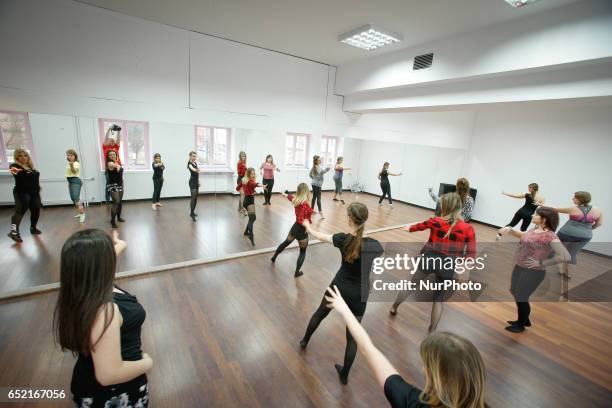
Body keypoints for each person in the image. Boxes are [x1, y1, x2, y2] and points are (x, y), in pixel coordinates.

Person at [326, 286, 487, 408]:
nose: (423, 368)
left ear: (437, 376)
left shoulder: (413, 402)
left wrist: (344, 309)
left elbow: (368, 348)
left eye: (426, 365)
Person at [53, 229, 153, 407]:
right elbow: (109, 375)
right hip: (113, 394)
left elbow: (105, 257)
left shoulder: (85, 284)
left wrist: (119, 243)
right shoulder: (105, 310)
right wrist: (147, 363)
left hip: (95, 381)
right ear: (101, 264)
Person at [300, 202, 384, 384]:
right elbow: (375, 260)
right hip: (360, 293)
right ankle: (344, 375)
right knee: (352, 337)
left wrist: (307, 226)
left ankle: (305, 341)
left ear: (349, 219)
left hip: (339, 287)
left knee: (320, 313)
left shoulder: (343, 239)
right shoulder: (375, 245)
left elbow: (319, 235)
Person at [390, 193, 476, 333]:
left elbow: (420, 226)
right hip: (448, 264)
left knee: (411, 284)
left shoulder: (435, 221)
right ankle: (432, 329)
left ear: (445, 207)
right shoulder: (467, 228)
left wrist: (409, 229)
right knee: (438, 298)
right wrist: (465, 265)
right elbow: (471, 252)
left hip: (430, 259)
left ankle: (394, 307)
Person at [498, 207, 570, 333]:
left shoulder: (550, 236)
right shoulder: (535, 229)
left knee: (521, 296)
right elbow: (523, 235)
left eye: (536, 214)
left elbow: (565, 256)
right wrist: (509, 230)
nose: (532, 215)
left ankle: (521, 324)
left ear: (544, 219)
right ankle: (524, 319)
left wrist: (541, 262)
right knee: (515, 291)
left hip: (533, 272)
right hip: (520, 266)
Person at [554, 191, 603, 278]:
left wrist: (541, 205)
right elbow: (599, 223)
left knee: (552, 247)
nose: (572, 199)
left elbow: (556, 209)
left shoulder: (573, 209)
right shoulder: (597, 210)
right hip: (585, 236)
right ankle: (567, 273)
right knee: (571, 254)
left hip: (566, 234)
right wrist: (588, 229)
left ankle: (537, 265)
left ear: (580, 199)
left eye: (574, 197)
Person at [270, 183, 313, 277]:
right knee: (302, 252)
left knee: (285, 243)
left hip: (295, 228)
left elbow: (290, 197)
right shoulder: (305, 203)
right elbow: (302, 219)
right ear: (306, 191)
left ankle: (274, 257)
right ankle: (297, 272)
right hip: (302, 230)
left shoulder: (297, 200)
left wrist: (285, 194)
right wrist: (308, 228)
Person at [7, 149, 42, 242]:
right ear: (17, 157)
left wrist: (38, 188)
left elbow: (33, 178)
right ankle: (13, 232)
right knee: (19, 211)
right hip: (21, 193)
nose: (23, 157)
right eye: (20, 156)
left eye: (25, 155)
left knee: (36, 211)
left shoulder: (30, 167)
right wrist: (16, 170)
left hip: (34, 193)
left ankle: (33, 228)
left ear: (28, 157)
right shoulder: (14, 166)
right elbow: (15, 171)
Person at [237, 167, 266, 246]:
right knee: (253, 218)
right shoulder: (249, 181)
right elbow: (254, 184)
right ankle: (251, 235)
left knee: (251, 217)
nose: (253, 175)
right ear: (248, 174)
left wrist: (245, 190)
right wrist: (262, 185)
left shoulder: (244, 180)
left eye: (254, 173)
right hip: (249, 201)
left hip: (246, 201)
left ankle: (246, 232)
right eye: (252, 174)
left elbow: (237, 188)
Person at [102, 126, 122, 203]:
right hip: (109, 170)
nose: (113, 141)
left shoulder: (116, 148)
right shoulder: (105, 148)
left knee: (119, 183)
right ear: (107, 142)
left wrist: (119, 131)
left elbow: (118, 139)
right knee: (109, 184)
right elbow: (106, 138)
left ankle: (117, 199)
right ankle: (107, 199)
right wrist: (109, 129)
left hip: (118, 168)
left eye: (113, 140)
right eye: (110, 140)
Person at [106, 150, 125, 229]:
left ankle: (119, 217)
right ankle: (112, 221)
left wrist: (123, 184)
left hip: (120, 185)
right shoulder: (109, 163)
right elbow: (116, 167)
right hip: (112, 185)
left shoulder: (117, 163)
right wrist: (118, 166)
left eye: (114, 154)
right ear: (108, 157)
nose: (112, 156)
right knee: (116, 202)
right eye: (110, 155)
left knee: (120, 202)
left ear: (116, 155)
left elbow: (121, 176)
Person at [66, 149, 86, 223]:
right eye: (68, 155)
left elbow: (74, 171)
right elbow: (69, 174)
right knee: (73, 199)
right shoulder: (70, 163)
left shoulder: (76, 163)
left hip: (75, 181)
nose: (69, 157)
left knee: (76, 199)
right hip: (71, 182)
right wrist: (69, 184)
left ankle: (82, 214)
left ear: (75, 156)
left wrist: (71, 165)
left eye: (71, 155)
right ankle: (79, 213)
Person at [187, 151, 200, 222]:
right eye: (193, 156)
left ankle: (192, 212)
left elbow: (197, 174)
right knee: (193, 198)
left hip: (196, 182)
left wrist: (198, 181)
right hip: (192, 182)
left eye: (195, 156)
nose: (194, 157)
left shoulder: (195, 163)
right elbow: (194, 170)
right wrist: (197, 170)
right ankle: (191, 214)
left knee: (195, 198)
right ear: (190, 156)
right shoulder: (189, 164)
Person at [237, 151, 248, 216]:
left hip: (244, 179)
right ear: (240, 157)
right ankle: (242, 209)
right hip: (240, 179)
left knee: (242, 195)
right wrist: (244, 170)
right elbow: (239, 173)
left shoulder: (244, 163)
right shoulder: (239, 163)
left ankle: (240, 208)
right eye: (243, 156)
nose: (244, 157)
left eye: (245, 156)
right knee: (242, 194)